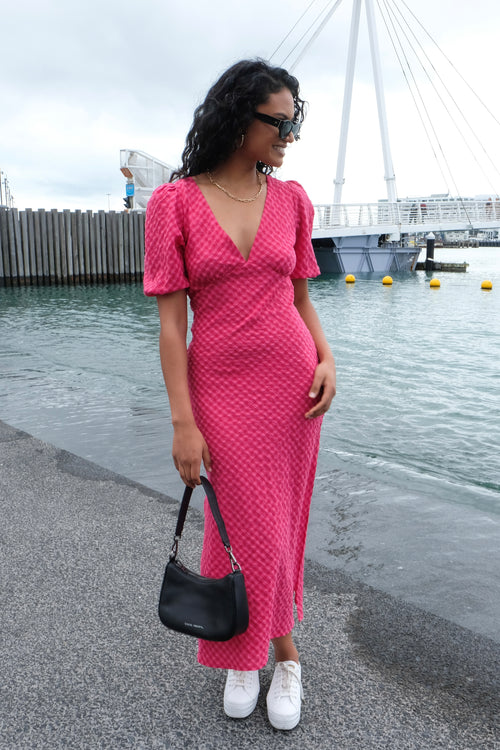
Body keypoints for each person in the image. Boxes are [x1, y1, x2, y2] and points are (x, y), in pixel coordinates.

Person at [144, 58, 336, 731]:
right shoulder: (175, 203)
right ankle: (263, 649)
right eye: (279, 122)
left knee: (281, 523)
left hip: (293, 389)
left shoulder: (292, 200)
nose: (290, 134)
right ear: (237, 118)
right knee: (240, 523)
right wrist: (181, 422)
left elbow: (302, 298)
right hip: (219, 389)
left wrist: (329, 357)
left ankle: (273, 655)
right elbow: (172, 326)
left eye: (295, 121)